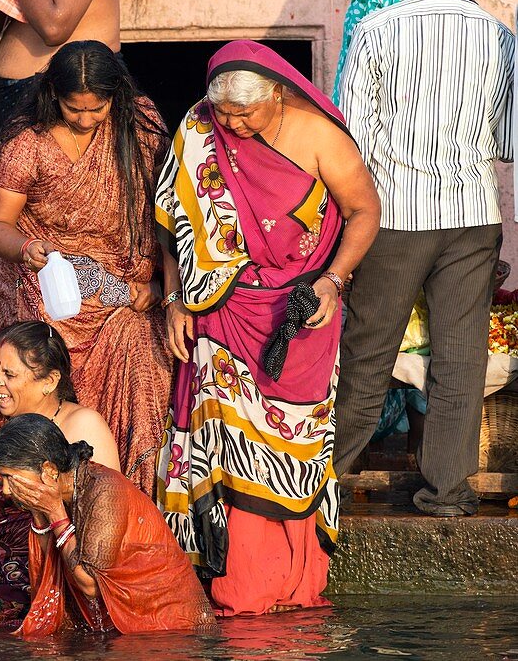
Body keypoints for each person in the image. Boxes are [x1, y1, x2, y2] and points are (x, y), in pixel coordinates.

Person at [155, 40, 380, 615]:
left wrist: (333, 280)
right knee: (227, 448)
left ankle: (297, 581)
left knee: (294, 450)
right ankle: (239, 584)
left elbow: (364, 211)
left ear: (277, 96)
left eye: (244, 115)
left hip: (300, 316)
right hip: (221, 310)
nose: (231, 125)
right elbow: (174, 218)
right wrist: (175, 297)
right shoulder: (201, 130)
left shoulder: (320, 138)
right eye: (224, 113)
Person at [334, 0, 515, 518]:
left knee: (368, 352)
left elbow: (353, 141)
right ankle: (448, 493)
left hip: (395, 217)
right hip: (472, 217)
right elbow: (505, 142)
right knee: (461, 359)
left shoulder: (374, 31)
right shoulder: (500, 39)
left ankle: (327, 481)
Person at [0, 40, 171, 494]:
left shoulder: (139, 126)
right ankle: (52, 499)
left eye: (97, 108)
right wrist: (27, 248)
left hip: (126, 289)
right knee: (43, 375)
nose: (86, 120)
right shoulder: (27, 142)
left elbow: (167, 213)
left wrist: (163, 284)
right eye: (73, 109)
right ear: (52, 97)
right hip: (51, 285)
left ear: (116, 97)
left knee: (143, 351)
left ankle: (131, 503)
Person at [0, 320, 120, 628]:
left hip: (67, 566)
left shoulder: (84, 425)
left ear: (50, 380)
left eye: (9, 374)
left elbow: (106, 519)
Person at [0, 414, 216, 635]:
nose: (6, 490)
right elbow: (49, 568)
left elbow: (90, 585)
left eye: (10, 478)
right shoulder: (54, 492)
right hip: (119, 625)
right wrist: (40, 511)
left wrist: (54, 511)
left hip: (169, 627)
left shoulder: (105, 490)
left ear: (49, 470)